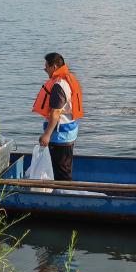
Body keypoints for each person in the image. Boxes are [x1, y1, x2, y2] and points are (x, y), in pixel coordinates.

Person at [33, 52, 84, 181]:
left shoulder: (58, 85)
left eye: (46, 66)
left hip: (60, 136)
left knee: (61, 173)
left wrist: (47, 135)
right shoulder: (68, 78)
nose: (45, 69)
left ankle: (64, 196)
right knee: (64, 167)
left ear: (54, 67)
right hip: (69, 131)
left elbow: (55, 113)